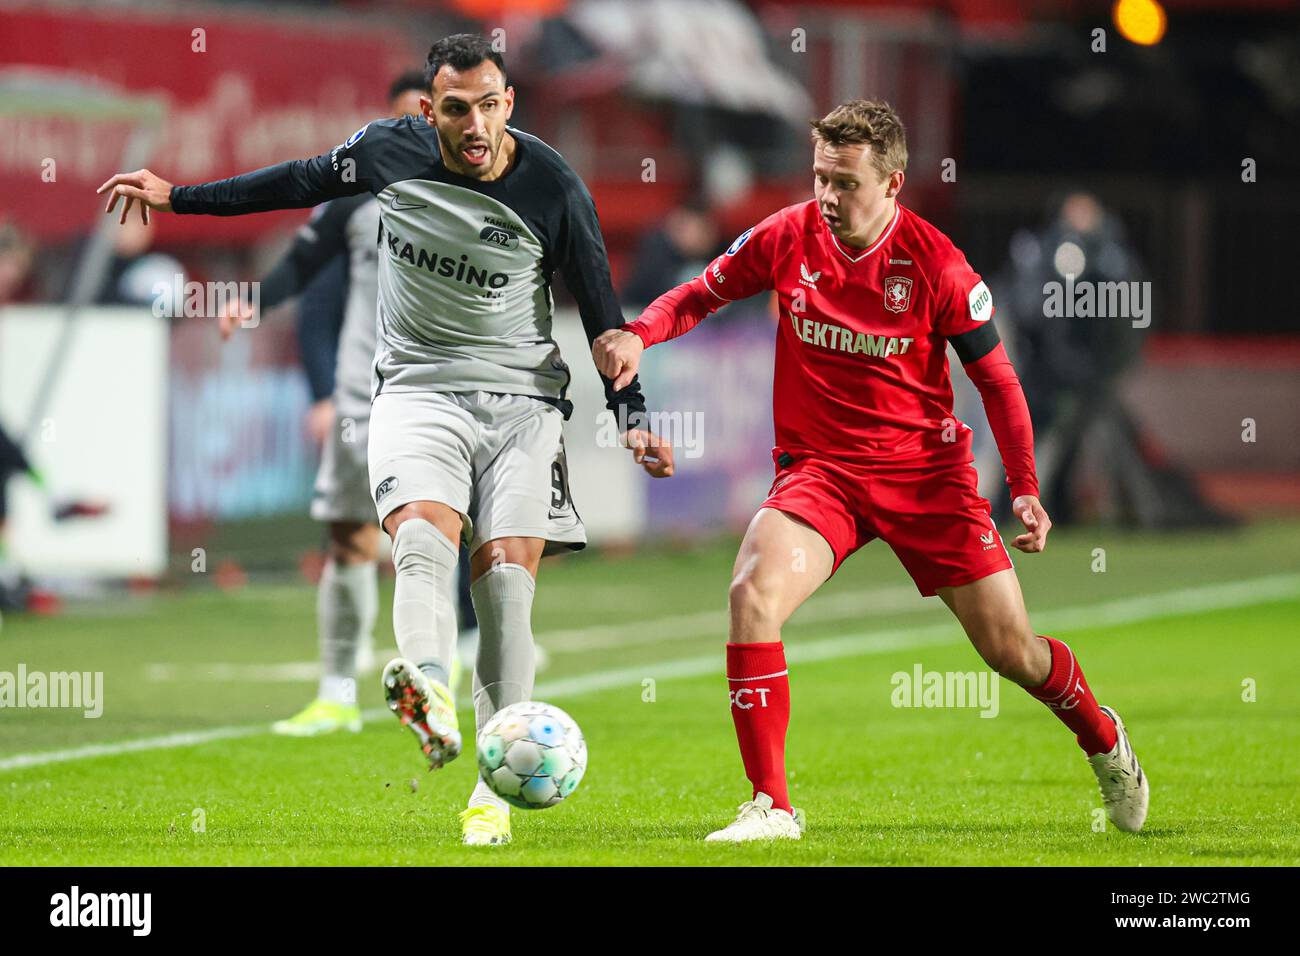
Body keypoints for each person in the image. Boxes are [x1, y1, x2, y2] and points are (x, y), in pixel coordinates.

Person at [99, 33, 672, 846]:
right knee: (419, 538)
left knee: (506, 588)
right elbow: (294, 182)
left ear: (509, 101)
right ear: (428, 111)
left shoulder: (553, 185)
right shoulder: (387, 152)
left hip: (522, 406)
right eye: (454, 109)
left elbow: (606, 319)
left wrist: (635, 420)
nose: (473, 125)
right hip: (416, 389)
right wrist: (179, 196)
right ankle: (428, 692)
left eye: (487, 104)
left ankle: (491, 796)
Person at [593, 100, 1148, 841]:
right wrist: (639, 333)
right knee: (752, 594)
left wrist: (1023, 487)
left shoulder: (937, 262)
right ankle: (771, 807)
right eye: (820, 177)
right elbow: (701, 294)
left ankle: (1102, 737)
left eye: (844, 183)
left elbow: (998, 382)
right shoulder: (788, 235)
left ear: (892, 183)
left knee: (1012, 652)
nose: (826, 196)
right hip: (821, 473)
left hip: (927, 479)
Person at [217, 71, 430, 737]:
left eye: (422, 120)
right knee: (349, 538)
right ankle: (338, 694)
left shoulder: (478, 199)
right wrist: (253, 300)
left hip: (442, 394)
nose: (408, 134)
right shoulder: (355, 196)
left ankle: (442, 676)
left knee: (438, 540)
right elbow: (301, 264)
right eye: (398, 121)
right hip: (363, 395)